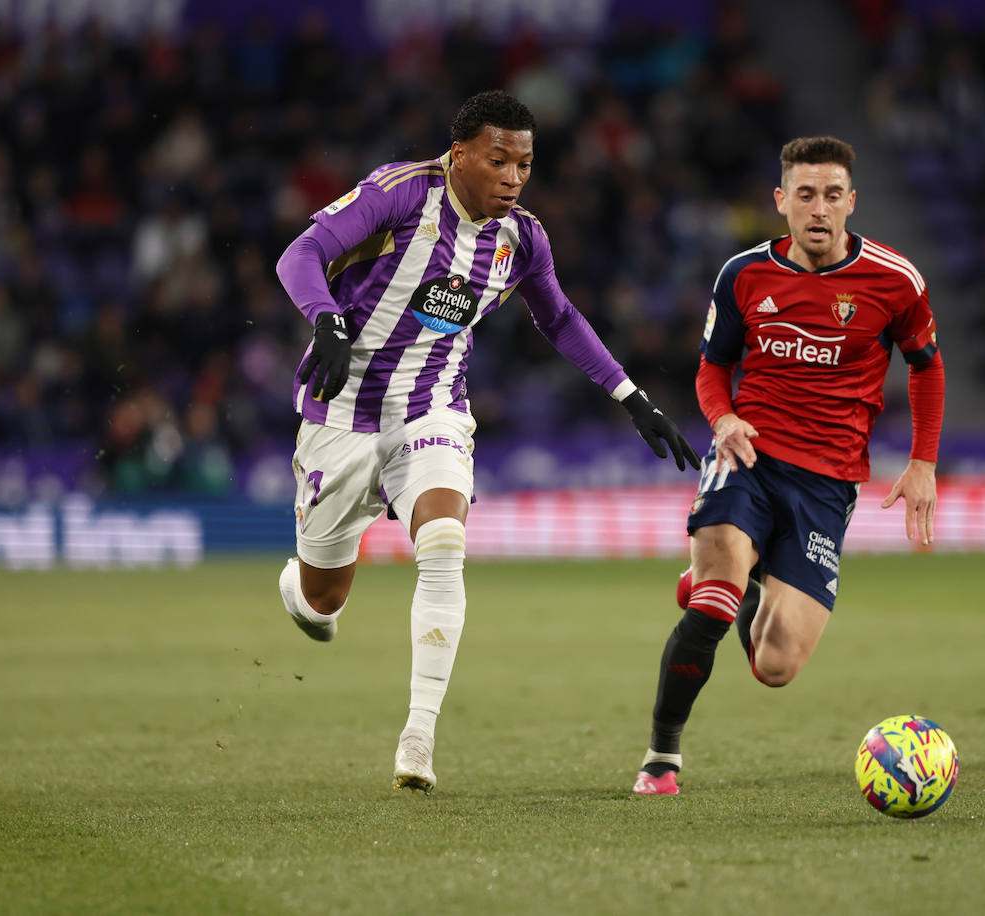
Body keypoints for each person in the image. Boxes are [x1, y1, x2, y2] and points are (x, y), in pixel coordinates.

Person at [273, 90, 700, 794]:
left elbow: (558, 317)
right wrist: (325, 319)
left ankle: (419, 736)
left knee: (443, 545)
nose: (512, 177)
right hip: (342, 413)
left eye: (525, 164)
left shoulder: (521, 239)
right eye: (499, 160)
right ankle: (304, 591)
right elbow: (303, 253)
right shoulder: (400, 194)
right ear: (460, 153)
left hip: (433, 407)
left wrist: (631, 396)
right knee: (323, 597)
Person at [631, 136, 945, 795]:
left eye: (833, 195)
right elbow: (712, 368)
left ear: (851, 202)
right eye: (805, 194)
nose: (819, 208)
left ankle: (741, 577)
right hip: (747, 457)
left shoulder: (896, 281)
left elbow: (926, 367)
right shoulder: (743, 275)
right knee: (713, 601)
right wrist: (723, 420)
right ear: (782, 202)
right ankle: (662, 757)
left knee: (775, 666)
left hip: (828, 484)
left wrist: (922, 462)